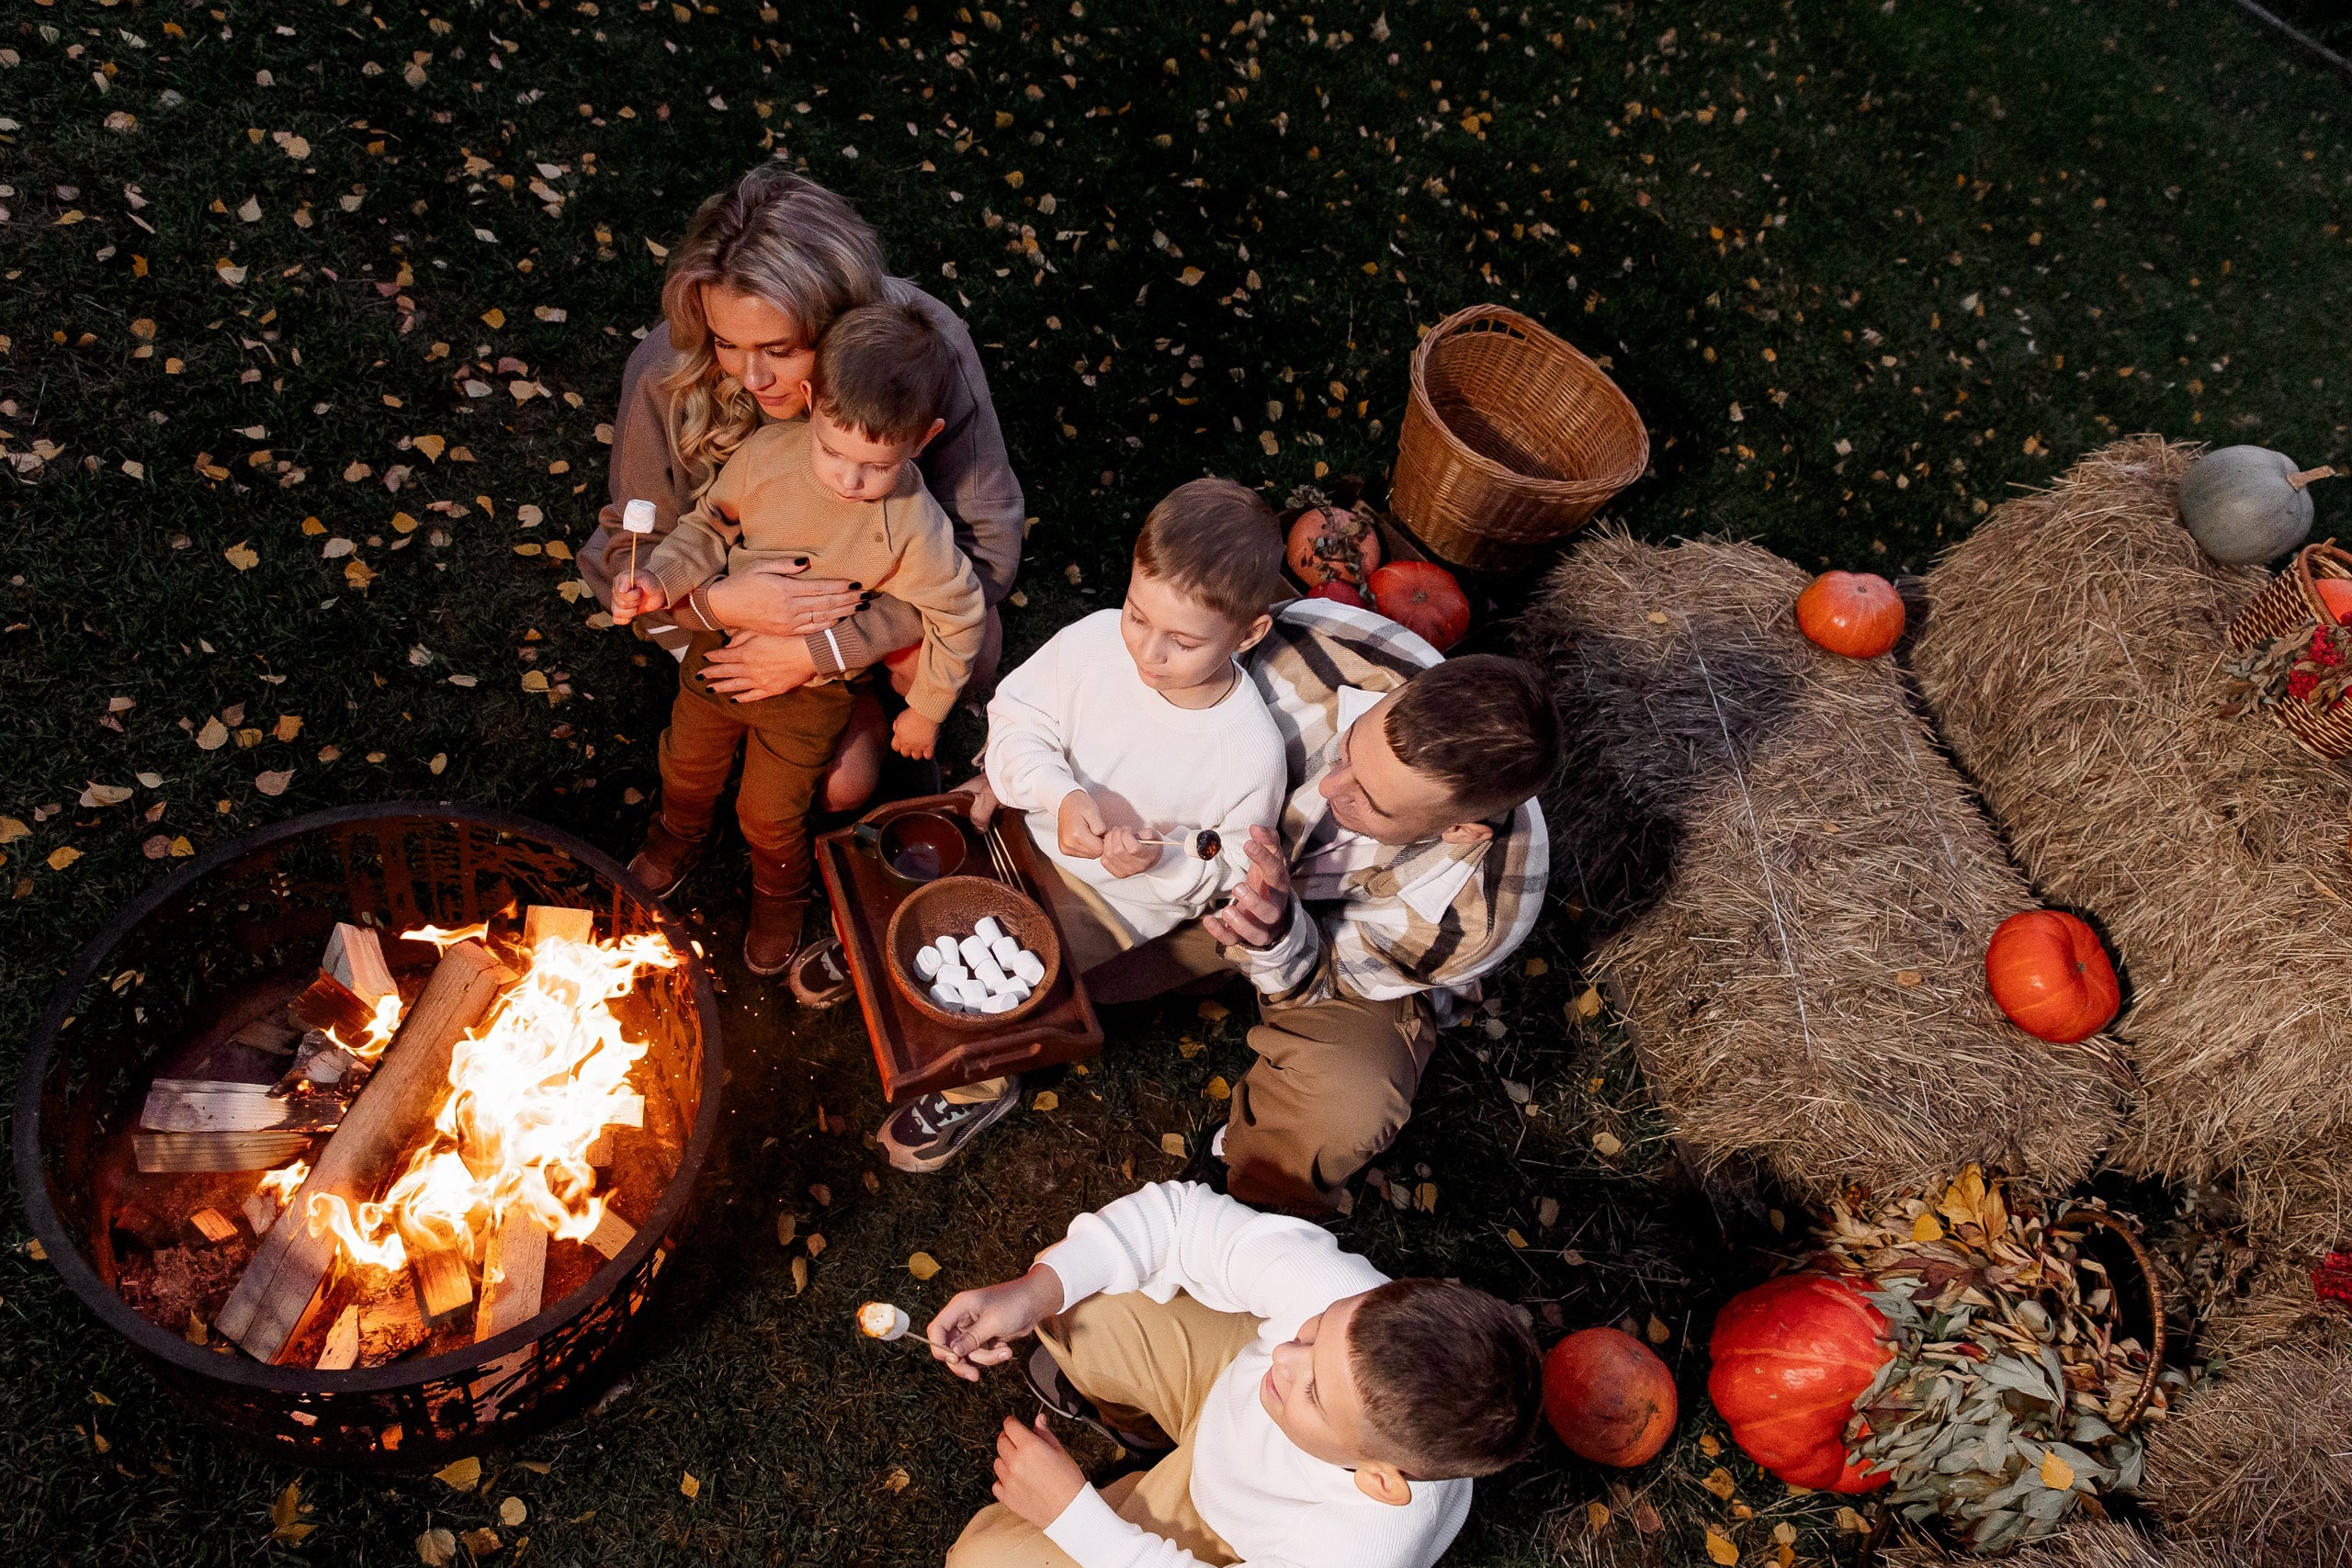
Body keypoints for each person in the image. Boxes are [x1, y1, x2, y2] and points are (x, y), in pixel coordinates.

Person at [893, 600, 1556, 1209]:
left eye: (1369, 802)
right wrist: (1027, 767)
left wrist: (1275, 936)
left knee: (1351, 1097)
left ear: (1459, 829)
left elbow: (1328, 979)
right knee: (1023, 957)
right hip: (1186, 844)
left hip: (1333, 961)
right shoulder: (1316, 644)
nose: (1328, 785)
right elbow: (1144, 681)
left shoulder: (1478, 913)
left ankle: (1244, 1189)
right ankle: (983, 1072)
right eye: (1352, 747)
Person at [586, 163, 1023, 816]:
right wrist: (724, 603)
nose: (754, 376)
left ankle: (869, 697)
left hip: (879, 595)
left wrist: (822, 649)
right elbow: (632, 544)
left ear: (840, 319)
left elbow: (985, 548)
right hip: (723, 592)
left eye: (782, 348)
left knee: (971, 647)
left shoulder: (922, 354)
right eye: (727, 343)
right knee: (754, 772)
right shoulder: (664, 373)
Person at [877, 481, 1289, 1172]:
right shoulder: (1098, 641)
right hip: (1021, 824)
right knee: (913, 859)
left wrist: (1154, 865)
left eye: (1183, 641)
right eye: (1137, 614)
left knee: (1011, 972)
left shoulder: (1246, 751)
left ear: (1248, 634)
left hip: (1111, 900)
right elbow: (1019, 722)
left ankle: (979, 1074)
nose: (1148, 653)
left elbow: (1223, 866)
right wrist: (1058, 793)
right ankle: (880, 955)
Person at [613, 301, 985, 976]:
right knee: (685, 762)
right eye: (834, 451)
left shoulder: (914, 526)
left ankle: (779, 894)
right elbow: (710, 525)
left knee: (769, 810)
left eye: (874, 466)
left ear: (923, 438)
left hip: (814, 692)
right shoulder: (768, 456)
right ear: (812, 402)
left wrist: (927, 708)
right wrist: (662, 580)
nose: (849, 480)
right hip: (721, 654)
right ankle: (675, 837)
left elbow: (958, 613)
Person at [927, 1179, 1543, 1568]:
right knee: (1076, 1294)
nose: (1283, 1356)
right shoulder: (1351, 1307)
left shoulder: (1361, 1550)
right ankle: (1138, 1428)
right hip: (1219, 1388)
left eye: (1315, 1390)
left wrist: (1073, 1515)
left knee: (979, 1561)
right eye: (1314, 1329)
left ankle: (1141, 1478)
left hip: (1230, 1533)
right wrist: (1033, 1290)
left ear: (1381, 1480)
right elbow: (1179, 1223)